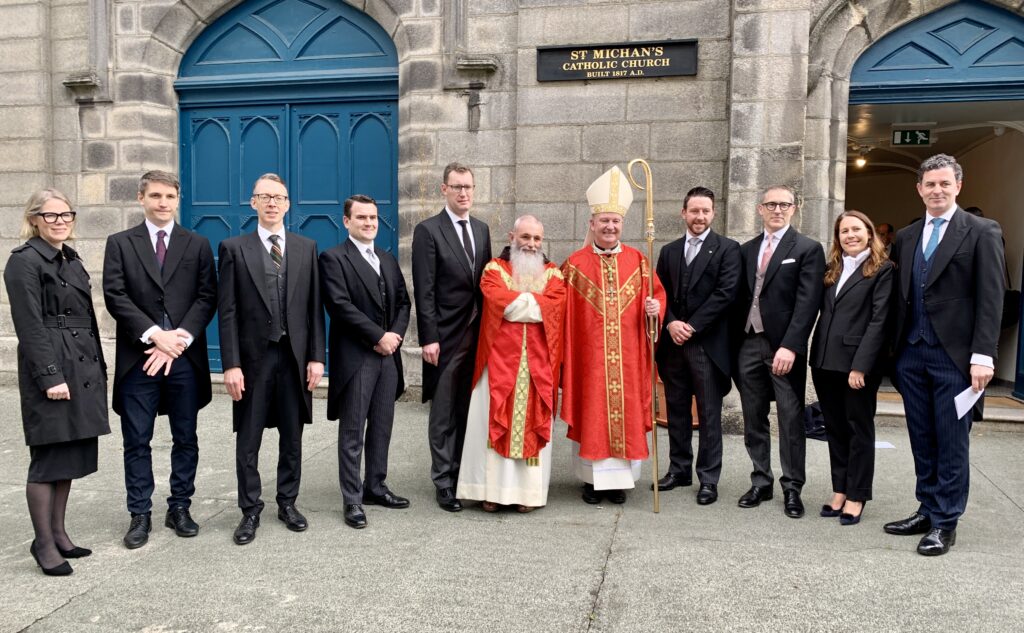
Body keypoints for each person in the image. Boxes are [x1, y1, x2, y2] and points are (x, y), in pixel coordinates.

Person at [885, 154, 1004, 556]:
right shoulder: (906, 235)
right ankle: (927, 507)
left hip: (955, 360)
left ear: (958, 186)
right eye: (929, 184)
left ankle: (945, 522)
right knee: (922, 438)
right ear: (919, 189)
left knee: (952, 441)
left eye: (944, 184)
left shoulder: (982, 232)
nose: (937, 190)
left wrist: (983, 356)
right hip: (911, 356)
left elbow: (991, 298)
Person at [103, 171, 217, 549]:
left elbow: (206, 297)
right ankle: (139, 514)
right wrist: (155, 336)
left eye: (169, 196)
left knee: (186, 437)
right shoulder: (119, 243)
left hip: (184, 357)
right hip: (140, 358)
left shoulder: (197, 243)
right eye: (155, 195)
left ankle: (179, 507)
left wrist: (178, 340)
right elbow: (116, 296)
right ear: (141, 198)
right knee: (137, 439)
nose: (163, 202)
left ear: (177, 199)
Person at [5, 190, 110, 576]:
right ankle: (43, 543)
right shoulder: (24, 262)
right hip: (53, 363)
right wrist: (50, 376)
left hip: (81, 366)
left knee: (69, 455)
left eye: (66, 214)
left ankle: (59, 533)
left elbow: (88, 319)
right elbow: (29, 325)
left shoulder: (71, 257)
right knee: (48, 458)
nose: (60, 221)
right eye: (51, 216)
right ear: (34, 219)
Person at [218, 173, 326, 545]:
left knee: (291, 436)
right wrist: (230, 364)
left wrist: (316, 357)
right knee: (248, 439)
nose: (271, 203)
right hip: (252, 361)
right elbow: (227, 311)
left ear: (288, 204)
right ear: (253, 203)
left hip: (295, 358)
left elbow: (314, 308)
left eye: (278, 197)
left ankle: (288, 502)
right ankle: (250, 510)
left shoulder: (306, 247)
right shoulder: (233, 248)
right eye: (263, 196)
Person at [561, 166, 665, 504]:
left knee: (627, 412)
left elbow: (658, 297)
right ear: (591, 224)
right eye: (604, 221)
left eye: (615, 222)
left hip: (629, 358)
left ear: (623, 225)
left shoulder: (639, 261)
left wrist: (655, 310)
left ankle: (620, 483)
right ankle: (592, 482)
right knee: (593, 414)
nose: (610, 226)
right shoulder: (574, 265)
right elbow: (560, 312)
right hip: (590, 362)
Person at [457, 215, 566, 513]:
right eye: (525, 237)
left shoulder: (553, 274)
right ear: (512, 236)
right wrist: (534, 302)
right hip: (497, 364)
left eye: (536, 239)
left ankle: (527, 495)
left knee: (532, 422)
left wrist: (518, 303)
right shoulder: (494, 269)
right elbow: (496, 301)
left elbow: (554, 306)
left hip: (537, 367)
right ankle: (489, 492)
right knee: (489, 424)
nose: (531, 244)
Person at [319, 195, 411, 529]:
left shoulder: (386, 258)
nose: (369, 223)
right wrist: (378, 336)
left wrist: (395, 336)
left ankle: (375, 486)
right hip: (358, 356)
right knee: (354, 430)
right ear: (347, 222)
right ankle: (352, 498)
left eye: (372, 218)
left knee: (382, 426)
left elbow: (403, 301)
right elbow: (341, 307)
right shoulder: (333, 259)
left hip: (388, 355)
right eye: (361, 218)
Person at [733, 185, 825, 518]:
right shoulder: (746, 250)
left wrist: (791, 346)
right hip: (747, 343)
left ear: (794, 209)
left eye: (784, 204)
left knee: (790, 419)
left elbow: (807, 304)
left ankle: (792, 487)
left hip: (783, 347)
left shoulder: (806, 248)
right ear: (760, 209)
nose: (777, 209)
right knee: (753, 417)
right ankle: (761, 480)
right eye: (771, 204)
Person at [412, 162, 493, 512]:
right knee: (443, 411)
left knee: (469, 409)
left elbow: (489, 281)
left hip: (478, 333)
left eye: (468, 187)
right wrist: (428, 337)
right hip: (444, 335)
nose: (463, 193)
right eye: (457, 187)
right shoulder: (428, 231)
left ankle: (464, 474)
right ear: (443, 189)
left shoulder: (482, 229)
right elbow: (424, 288)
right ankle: (443, 480)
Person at [653, 186, 740, 506]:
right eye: (694, 211)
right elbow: (659, 291)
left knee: (708, 414)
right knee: (676, 411)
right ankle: (679, 469)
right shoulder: (670, 251)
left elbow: (725, 293)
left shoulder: (728, 249)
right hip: (673, 345)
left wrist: (691, 326)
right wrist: (671, 322)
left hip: (707, 345)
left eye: (705, 211)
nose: (699, 216)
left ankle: (708, 478)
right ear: (683, 213)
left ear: (713, 213)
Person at [810, 211, 893, 526]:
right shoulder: (833, 268)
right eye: (844, 231)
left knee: (858, 430)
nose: (850, 235)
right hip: (824, 362)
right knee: (834, 429)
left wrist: (861, 367)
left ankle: (857, 495)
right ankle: (840, 489)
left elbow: (879, 321)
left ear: (870, 233)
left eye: (856, 229)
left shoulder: (883, 270)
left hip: (857, 366)